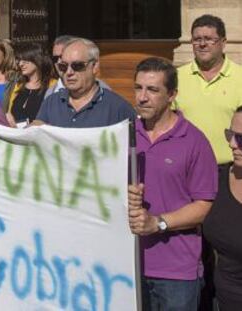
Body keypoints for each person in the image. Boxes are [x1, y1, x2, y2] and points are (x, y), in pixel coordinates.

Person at [128, 57, 218, 310]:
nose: (142, 97)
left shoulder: (194, 140)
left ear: (172, 95)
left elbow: (203, 205)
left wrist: (158, 223)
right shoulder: (124, 135)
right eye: (138, 88)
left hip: (176, 272)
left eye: (153, 90)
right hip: (127, 264)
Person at [174, 14, 242, 166]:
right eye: (197, 39)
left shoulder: (240, 77)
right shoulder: (176, 78)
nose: (202, 44)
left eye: (209, 39)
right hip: (187, 169)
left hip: (231, 170)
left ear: (223, 42)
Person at [34, 37, 135, 127]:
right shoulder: (51, 102)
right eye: (63, 66)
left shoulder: (117, 107)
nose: (69, 72)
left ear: (94, 66)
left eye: (77, 66)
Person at [203, 106, 242, 310]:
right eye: (230, 135)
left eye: (241, 139)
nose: (232, 144)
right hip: (221, 300)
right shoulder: (217, 179)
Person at [4, 42, 55, 127]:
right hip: (17, 137)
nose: (20, 64)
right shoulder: (18, 85)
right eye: (19, 60)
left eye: (25, 60)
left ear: (37, 59)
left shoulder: (53, 85)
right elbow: (10, 113)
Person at [44, 35, 110, 99]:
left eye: (62, 56)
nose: (59, 62)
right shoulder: (50, 93)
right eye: (55, 58)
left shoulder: (103, 92)